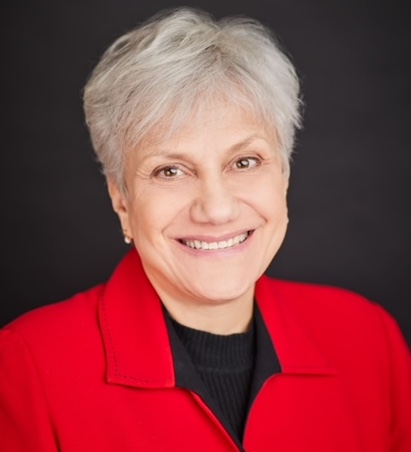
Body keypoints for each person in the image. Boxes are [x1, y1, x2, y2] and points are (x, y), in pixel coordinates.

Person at [0, 6, 410, 451]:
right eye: (170, 171)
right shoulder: (25, 367)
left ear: (284, 176)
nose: (216, 209)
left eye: (244, 162)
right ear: (121, 198)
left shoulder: (370, 339)